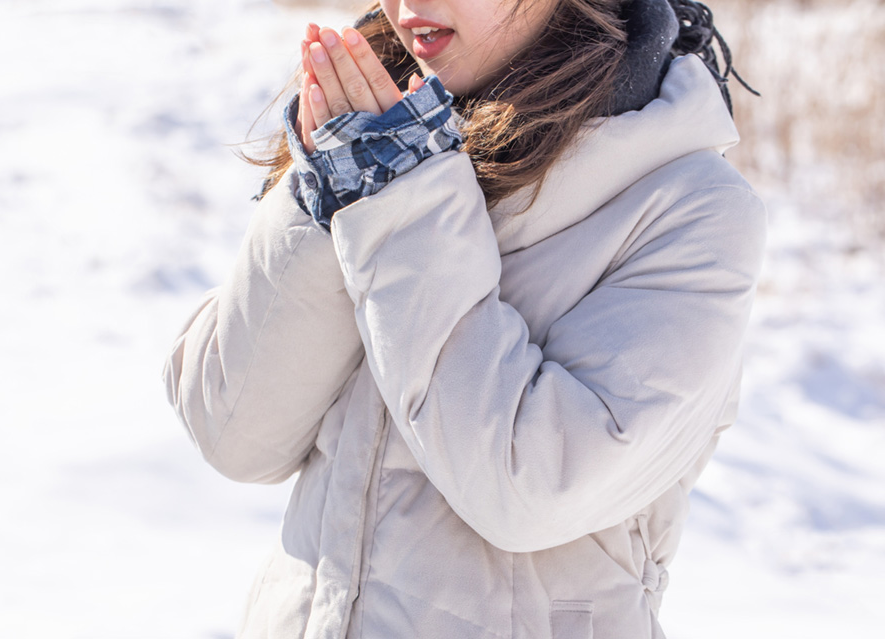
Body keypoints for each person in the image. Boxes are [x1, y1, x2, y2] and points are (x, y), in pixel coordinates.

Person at [164, 0, 766, 637]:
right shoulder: (378, 124)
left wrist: (403, 196)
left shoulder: (690, 207)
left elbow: (532, 489)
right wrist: (331, 193)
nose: (407, 6)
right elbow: (232, 434)